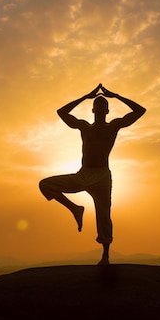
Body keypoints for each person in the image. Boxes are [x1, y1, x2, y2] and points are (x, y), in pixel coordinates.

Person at [39, 84, 146, 265]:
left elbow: (140, 110)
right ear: (93, 110)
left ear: (107, 110)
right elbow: (61, 113)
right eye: (98, 106)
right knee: (45, 185)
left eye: (103, 106)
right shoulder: (84, 126)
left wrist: (116, 95)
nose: (100, 109)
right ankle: (75, 208)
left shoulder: (114, 125)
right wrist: (84, 96)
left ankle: (105, 256)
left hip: (102, 177)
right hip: (83, 174)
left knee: (103, 215)